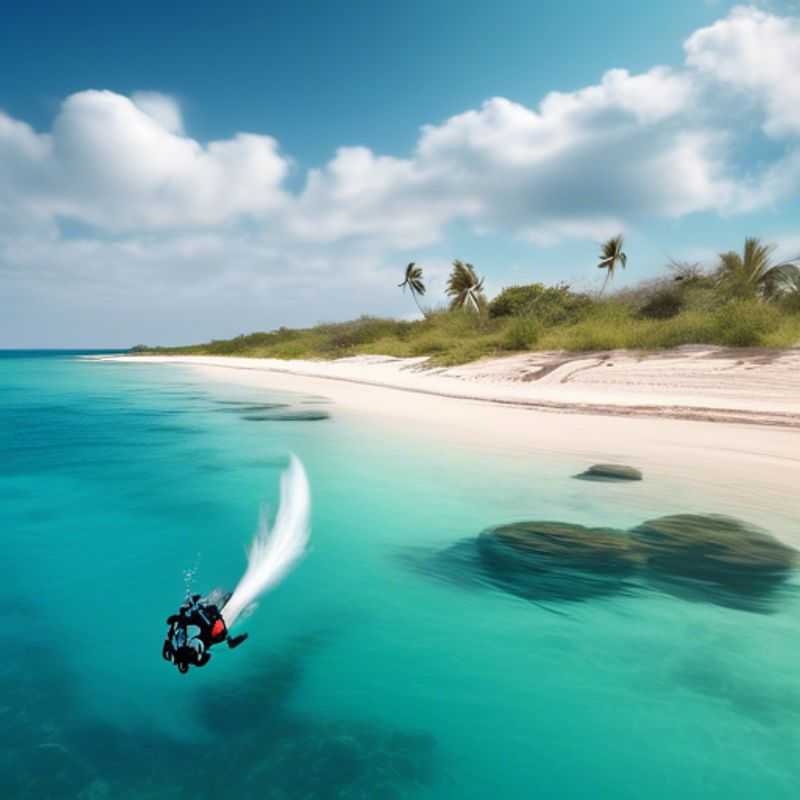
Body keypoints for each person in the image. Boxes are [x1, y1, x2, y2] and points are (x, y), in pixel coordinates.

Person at [162, 593, 248, 674]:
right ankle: (223, 603)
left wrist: (168, 641)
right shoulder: (192, 652)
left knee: (204, 618)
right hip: (211, 629)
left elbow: (176, 632)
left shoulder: (186, 647)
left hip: (210, 629)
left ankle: (223, 602)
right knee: (209, 622)